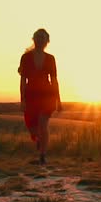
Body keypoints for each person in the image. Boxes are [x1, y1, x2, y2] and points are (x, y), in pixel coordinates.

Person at [18, 28, 61, 164]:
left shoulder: (50, 58)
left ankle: (43, 155)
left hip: (47, 95)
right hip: (31, 94)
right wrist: (22, 99)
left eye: (43, 38)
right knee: (32, 126)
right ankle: (38, 140)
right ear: (34, 39)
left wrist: (58, 100)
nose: (40, 40)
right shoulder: (26, 57)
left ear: (47, 41)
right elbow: (23, 79)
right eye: (38, 37)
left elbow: (54, 79)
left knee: (43, 124)